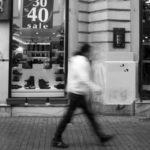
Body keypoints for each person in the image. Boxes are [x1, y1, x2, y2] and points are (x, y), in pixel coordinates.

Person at [51, 43, 114, 148]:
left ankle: (101, 136)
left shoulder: (76, 59)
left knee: (89, 116)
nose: (92, 53)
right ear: (86, 51)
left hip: (77, 93)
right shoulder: (81, 61)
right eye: (90, 51)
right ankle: (56, 139)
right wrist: (95, 88)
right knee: (68, 117)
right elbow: (84, 78)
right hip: (76, 94)